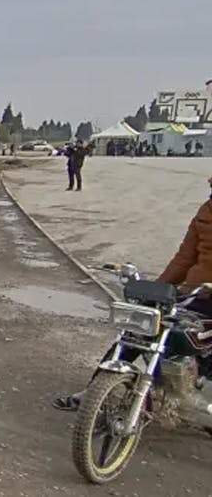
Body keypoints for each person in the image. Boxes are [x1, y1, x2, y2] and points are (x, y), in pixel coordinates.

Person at [53, 174, 212, 411]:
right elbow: (185, 258)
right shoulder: (206, 210)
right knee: (139, 329)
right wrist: (156, 291)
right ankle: (93, 391)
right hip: (194, 292)